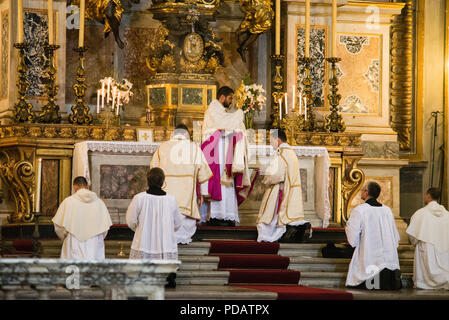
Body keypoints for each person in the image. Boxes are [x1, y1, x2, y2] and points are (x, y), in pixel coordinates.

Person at [150, 124, 212, 244]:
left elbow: (154, 170)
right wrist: (203, 194)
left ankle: (166, 237)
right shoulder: (194, 148)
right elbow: (203, 173)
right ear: (185, 134)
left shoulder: (162, 147)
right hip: (186, 190)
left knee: (167, 213)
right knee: (184, 214)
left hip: (166, 189)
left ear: (173, 133)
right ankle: (182, 238)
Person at [200, 86, 251, 226]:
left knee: (226, 184)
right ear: (222, 97)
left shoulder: (221, 111)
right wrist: (240, 113)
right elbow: (224, 123)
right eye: (230, 98)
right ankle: (216, 216)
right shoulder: (213, 110)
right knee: (219, 184)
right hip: (217, 153)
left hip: (224, 151)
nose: (231, 102)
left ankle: (225, 215)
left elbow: (228, 124)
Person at [345, 181, 402, 290]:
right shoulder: (387, 210)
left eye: (363, 190)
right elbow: (394, 235)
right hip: (388, 258)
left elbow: (353, 233)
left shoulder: (360, 210)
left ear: (366, 192)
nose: (362, 192)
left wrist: (354, 241)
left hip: (369, 253)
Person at [257, 129, 309, 242]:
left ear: (278, 140)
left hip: (280, 189)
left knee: (270, 214)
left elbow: (277, 174)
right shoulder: (290, 152)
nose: (271, 145)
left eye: (272, 141)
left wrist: (266, 176)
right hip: (288, 188)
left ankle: (269, 236)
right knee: (283, 214)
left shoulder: (282, 153)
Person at [126, 167, 181, 260]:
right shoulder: (171, 200)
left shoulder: (139, 198)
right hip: (165, 246)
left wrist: (142, 229)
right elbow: (177, 224)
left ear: (148, 180)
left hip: (143, 243)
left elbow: (131, 221)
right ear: (163, 181)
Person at [52, 176, 112, 260]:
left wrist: (64, 236)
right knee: (91, 271)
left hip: (73, 241)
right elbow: (105, 229)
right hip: (94, 243)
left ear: (74, 187)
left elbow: (58, 227)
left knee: (73, 270)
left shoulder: (68, 202)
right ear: (87, 186)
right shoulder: (99, 203)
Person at [406, 187, 449, 290]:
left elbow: (412, 235)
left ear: (428, 196)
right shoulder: (447, 215)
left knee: (425, 272)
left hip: (426, 248)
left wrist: (415, 241)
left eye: (425, 195)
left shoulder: (420, 213)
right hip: (444, 248)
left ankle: (426, 283)